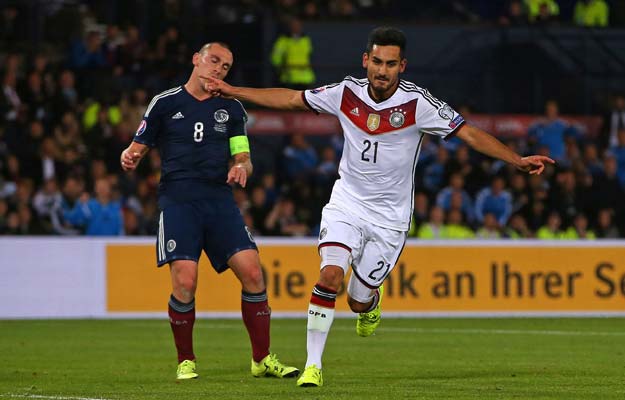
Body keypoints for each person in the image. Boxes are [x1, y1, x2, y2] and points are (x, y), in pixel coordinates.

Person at [204, 27, 554, 387]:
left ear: (402, 66)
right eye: (376, 62)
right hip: (347, 204)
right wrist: (233, 91)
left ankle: (370, 301)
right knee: (329, 276)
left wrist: (516, 160)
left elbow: (467, 132)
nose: (381, 71)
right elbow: (292, 98)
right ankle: (313, 366)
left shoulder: (419, 104)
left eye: (390, 64)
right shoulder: (345, 93)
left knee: (357, 300)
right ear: (365, 60)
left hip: (390, 219)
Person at [119, 42, 298, 380]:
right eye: (214, 61)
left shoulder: (231, 109)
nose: (219, 69)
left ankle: (262, 359)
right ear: (196, 59)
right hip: (179, 202)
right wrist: (129, 155)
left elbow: (242, 154)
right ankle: (186, 359)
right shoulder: (165, 103)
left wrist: (242, 166)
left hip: (219, 202)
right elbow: (137, 147)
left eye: (226, 66)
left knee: (254, 273)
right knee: (185, 282)